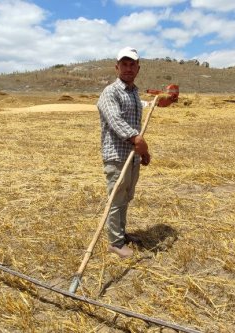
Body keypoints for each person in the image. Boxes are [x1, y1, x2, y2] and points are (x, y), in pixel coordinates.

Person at [96, 46, 150, 258]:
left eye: (132, 64)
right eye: (124, 64)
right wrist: (138, 140)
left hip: (132, 157)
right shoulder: (110, 92)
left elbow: (135, 126)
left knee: (126, 197)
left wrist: (142, 152)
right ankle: (115, 243)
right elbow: (116, 121)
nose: (128, 68)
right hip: (117, 156)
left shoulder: (134, 93)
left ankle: (120, 233)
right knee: (116, 199)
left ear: (138, 68)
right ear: (116, 67)